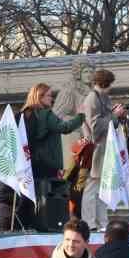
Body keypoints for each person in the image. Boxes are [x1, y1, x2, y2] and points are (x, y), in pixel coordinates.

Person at [21, 82, 85, 230]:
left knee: (32, 195)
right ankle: (45, 226)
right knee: (47, 197)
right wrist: (81, 116)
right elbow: (65, 127)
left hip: (30, 162)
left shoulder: (25, 114)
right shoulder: (45, 114)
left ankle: (29, 225)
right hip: (46, 162)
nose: (52, 99)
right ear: (40, 97)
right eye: (49, 96)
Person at [79, 69, 128, 230]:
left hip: (104, 148)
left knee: (102, 186)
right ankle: (89, 222)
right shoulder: (93, 98)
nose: (111, 88)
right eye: (110, 84)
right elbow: (95, 126)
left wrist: (116, 115)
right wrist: (114, 115)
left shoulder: (102, 97)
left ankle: (101, 221)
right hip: (96, 148)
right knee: (92, 186)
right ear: (105, 83)